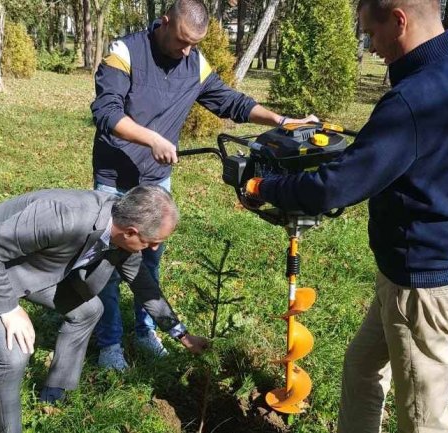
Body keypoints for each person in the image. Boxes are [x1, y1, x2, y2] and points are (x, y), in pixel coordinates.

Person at [244, 1, 448, 431]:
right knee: (362, 369)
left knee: (424, 417)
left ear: (399, 20)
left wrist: (265, 187)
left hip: (421, 285)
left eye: (371, 34)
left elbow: (336, 186)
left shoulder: (413, 100)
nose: (370, 47)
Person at [90, 0, 318, 370]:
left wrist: (281, 119)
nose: (186, 51)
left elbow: (231, 102)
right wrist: (152, 138)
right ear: (164, 23)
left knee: (149, 259)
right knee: (108, 265)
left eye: (193, 44)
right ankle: (109, 343)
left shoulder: (194, 62)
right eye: (181, 41)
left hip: (157, 180)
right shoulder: (124, 52)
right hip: (114, 180)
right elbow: (106, 111)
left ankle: (145, 330)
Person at [0, 186, 209, 433]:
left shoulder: (120, 233)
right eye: (152, 242)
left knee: (88, 310)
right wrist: (9, 309)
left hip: (26, 267)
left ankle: (56, 393)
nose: (154, 248)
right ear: (131, 232)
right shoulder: (66, 216)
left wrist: (182, 336)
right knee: (14, 354)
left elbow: (144, 287)